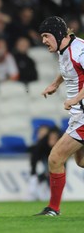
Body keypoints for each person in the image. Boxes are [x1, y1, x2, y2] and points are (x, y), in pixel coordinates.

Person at [36, 16, 84, 216]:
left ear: (57, 33)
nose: (44, 41)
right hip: (78, 114)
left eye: (46, 36)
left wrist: (76, 99)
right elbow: (69, 70)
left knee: (55, 158)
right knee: (81, 161)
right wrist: (56, 84)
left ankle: (53, 209)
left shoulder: (80, 50)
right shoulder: (64, 51)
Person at [28, 125, 61, 201]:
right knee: (48, 172)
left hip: (54, 159)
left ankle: (49, 193)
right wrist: (33, 173)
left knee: (51, 173)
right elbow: (34, 158)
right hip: (45, 158)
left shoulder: (60, 143)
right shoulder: (41, 144)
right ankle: (39, 191)